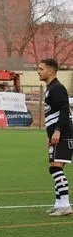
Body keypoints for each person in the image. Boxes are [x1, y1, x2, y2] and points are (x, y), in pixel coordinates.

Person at [38, 58, 73, 216]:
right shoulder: (51, 88)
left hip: (64, 134)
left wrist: (58, 131)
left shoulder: (57, 88)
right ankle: (59, 204)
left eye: (41, 69)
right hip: (58, 134)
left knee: (55, 168)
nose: (38, 71)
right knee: (55, 167)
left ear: (50, 71)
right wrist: (50, 134)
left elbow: (65, 110)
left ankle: (65, 205)